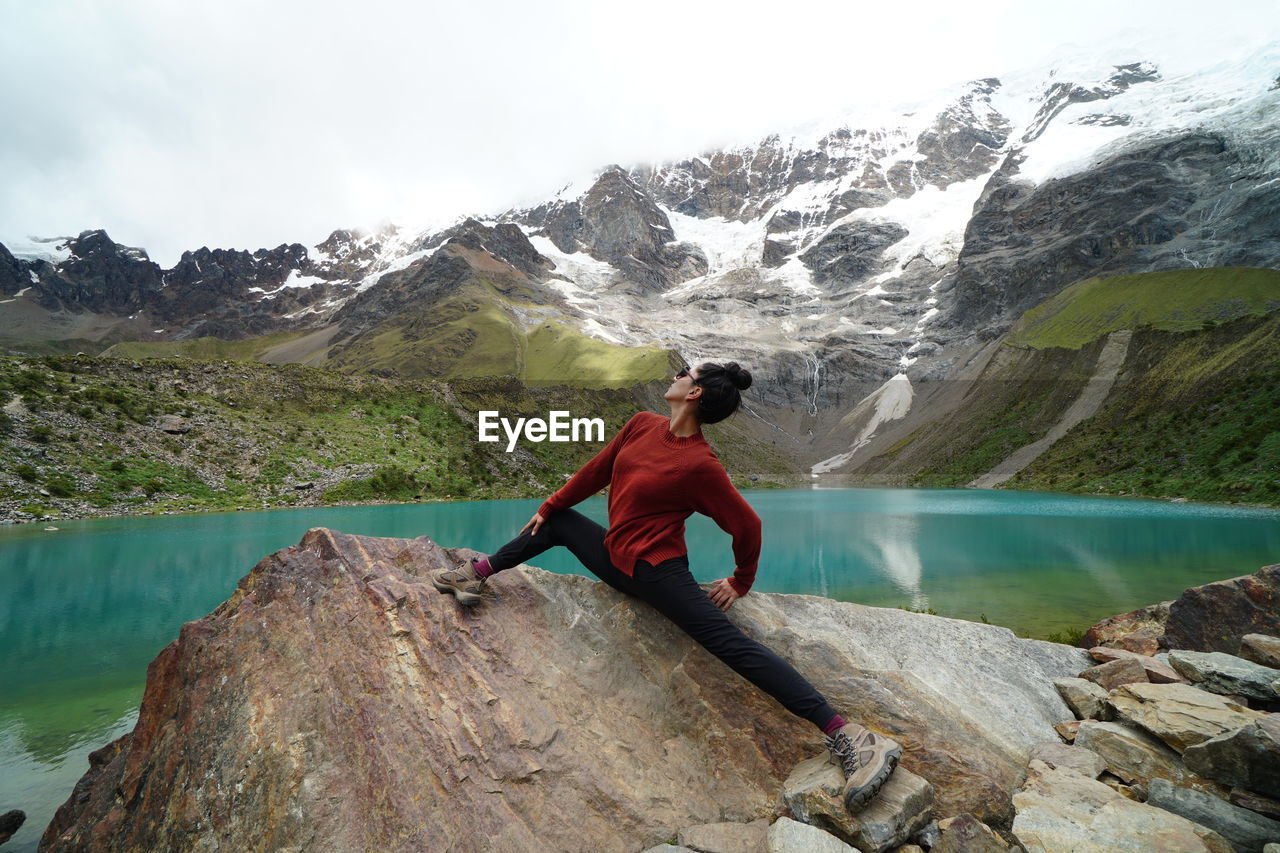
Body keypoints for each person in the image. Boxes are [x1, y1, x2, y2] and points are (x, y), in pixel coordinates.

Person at [432, 361, 902, 811]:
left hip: (659, 573)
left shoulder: (700, 465)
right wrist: (552, 503)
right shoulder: (641, 424)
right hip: (618, 558)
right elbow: (597, 471)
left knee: (730, 645)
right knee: (556, 523)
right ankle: (475, 575)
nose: (675, 377)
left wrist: (741, 580)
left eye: (685, 374)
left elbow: (747, 524)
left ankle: (849, 734)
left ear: (694, 393)